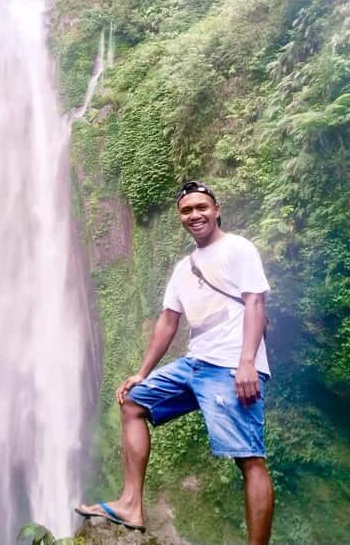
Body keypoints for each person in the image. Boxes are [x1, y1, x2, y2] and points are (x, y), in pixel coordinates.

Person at [76, 180, 275, 544]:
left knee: (249, 457)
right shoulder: (185, 268)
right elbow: (168, 321)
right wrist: (141, 373)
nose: (195, 215)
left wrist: (247, 362)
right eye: (187, 210)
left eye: (202, 207)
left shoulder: (238, 249)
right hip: (195, 364)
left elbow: (255, 303)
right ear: (180, 218)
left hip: (232, 367)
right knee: (134, 402)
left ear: (217, 210)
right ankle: (131, 504)